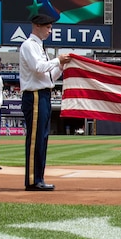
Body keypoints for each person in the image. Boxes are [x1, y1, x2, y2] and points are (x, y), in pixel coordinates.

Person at [19, 14, 72, 190]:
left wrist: (61, 66)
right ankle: (33, 180)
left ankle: (38, 178)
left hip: (43, 94)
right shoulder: (29, 45)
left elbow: (49, 77)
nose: (50, 31)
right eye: (47, 27)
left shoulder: (40, 48)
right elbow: (39, 68)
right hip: (34, 95)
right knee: (35, 139)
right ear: (37, 26)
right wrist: (57, 60)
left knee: (42, 137)